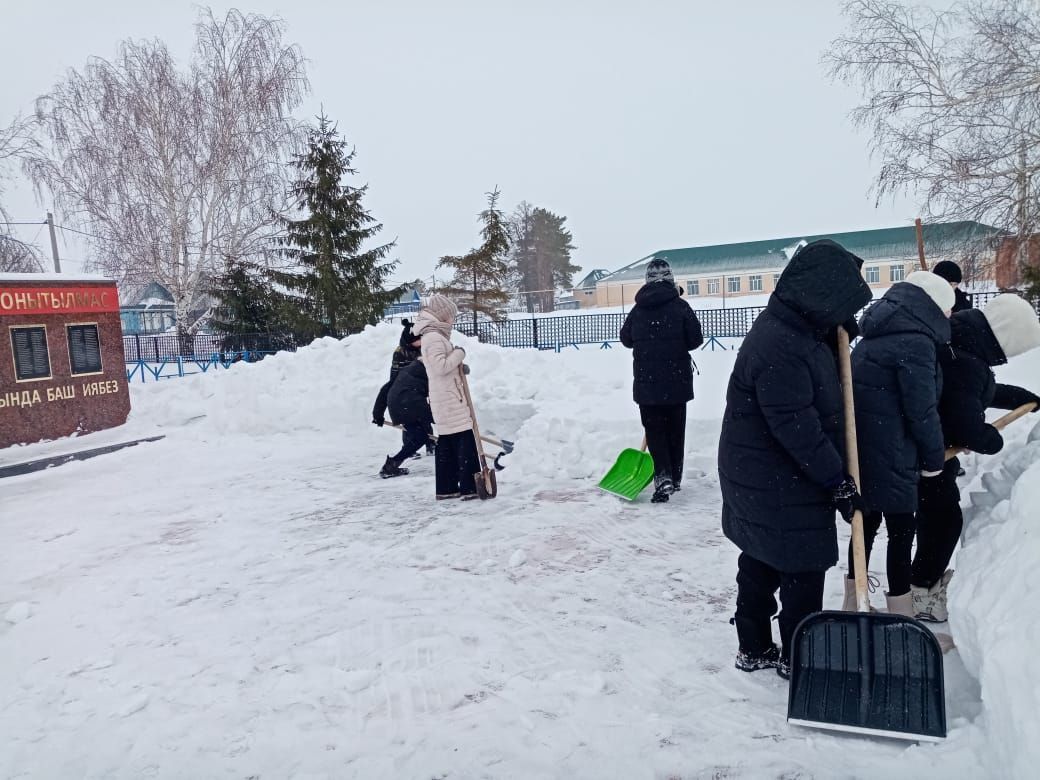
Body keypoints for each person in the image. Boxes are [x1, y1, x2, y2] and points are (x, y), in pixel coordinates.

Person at [719, 239, 872, 679]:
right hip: (777, 478)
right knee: (800, 565)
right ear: (821, 293)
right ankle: (796, 654)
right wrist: (836, 481)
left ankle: (755, 646)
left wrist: (834, 330)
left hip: (762, 474)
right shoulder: (782, 345)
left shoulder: (794, 329)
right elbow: (796, 426)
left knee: (762, 553)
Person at [911, 294, 1040, 621]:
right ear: (1006, 339)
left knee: (934, 520)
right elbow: (968, 425)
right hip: (927, 456)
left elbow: (978, 392)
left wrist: (1023, 399)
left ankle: (920, 586)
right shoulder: (969, 362)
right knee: (944, 523)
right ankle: (921, 592)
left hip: (924, 448)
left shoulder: (960, 339)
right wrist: (990, 440)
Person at [842, 271, 954, 615]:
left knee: (866, 525)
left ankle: (852, 603)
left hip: (864, 450)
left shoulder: (876, 334)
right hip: (894, 452)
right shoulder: (915, 343)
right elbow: (921, 411)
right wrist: (935, 461)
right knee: (902, 529)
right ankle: (901, 614)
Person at [619, 258, 704, 503]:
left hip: (647, 384)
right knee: (675, 431)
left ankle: (663, 476)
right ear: (671, 280)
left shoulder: (638, 309)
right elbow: (695, 340)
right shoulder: (681, 307)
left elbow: (626, 339)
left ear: (646, 281)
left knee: (655, 431)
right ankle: (674, 478)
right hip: (677, 382)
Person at [412, 294, 481, 500]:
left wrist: (459, 367)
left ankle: (447, 487)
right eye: (451, 316)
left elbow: (440, 366)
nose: (452, 320)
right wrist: (459, 353)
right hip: (449, 398)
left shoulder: (433, 335)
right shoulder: (433, 337)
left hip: (446, 396)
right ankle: (470, 487)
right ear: (442, 315)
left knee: (449, 441)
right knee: (464, 440)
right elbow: (440, 367)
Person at [372, 319, 434, 457]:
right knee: (409, 418)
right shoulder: (400, 352)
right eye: (418, 339)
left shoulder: (424, 349)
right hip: (405, 386)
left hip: (421, 387)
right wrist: (378, 412)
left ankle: (430, 443)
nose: (421, 342)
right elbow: (392, 381)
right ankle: (409, 446)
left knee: (424, 415)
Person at [377, 358, 436, 478]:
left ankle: (391, 465)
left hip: (399, 405)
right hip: (410, 404)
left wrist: (377, 413)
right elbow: (435, 394)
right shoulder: (429, 371)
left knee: (420, 436)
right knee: (421, 437)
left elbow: (385, 390)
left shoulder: (409, 369)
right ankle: (390, 466)